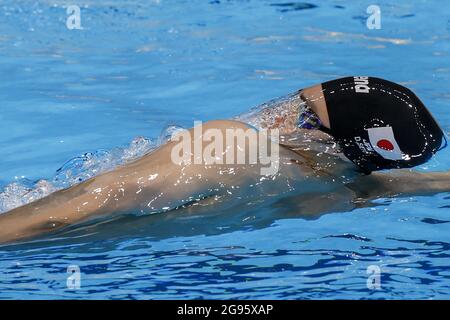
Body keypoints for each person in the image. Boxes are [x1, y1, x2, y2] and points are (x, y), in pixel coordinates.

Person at [0, 76, 448, 244]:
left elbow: (106, 195)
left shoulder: (234, 145)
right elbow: (389, 184)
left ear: (323, 137)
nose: (278, 112)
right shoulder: (323, 192)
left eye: (300, 109)